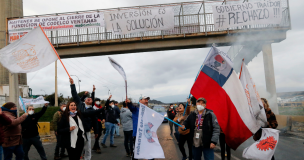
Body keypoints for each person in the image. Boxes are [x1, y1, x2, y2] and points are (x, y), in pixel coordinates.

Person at [70, 78, 104, 160]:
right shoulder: (80, 105)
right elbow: (75, 95)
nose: (89, 98)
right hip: (77, 130)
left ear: (92, 102)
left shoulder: (92, 110)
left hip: (87, 131)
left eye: (91, 98)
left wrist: (96, 131)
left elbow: (95, 121)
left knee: (88, 147)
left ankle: (87, 158)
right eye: (87, 98)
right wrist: (72, 84)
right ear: (84, 100)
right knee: (77, 147)